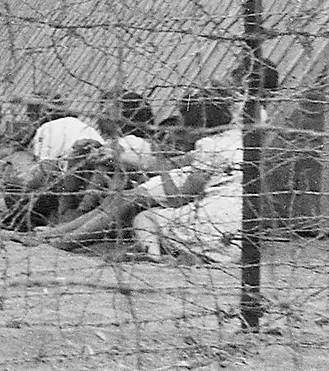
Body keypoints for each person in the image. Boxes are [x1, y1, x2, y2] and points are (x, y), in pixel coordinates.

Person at [30, 87, 244, 262]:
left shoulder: (209, 147)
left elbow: (178, 198)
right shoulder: (233, 138)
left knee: (131, 201)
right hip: (238, 224)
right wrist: (124, 158)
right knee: (128, 197)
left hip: (215, 224)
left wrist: (157, 171)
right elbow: (171, 163)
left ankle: (63, 239)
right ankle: (60, 235)